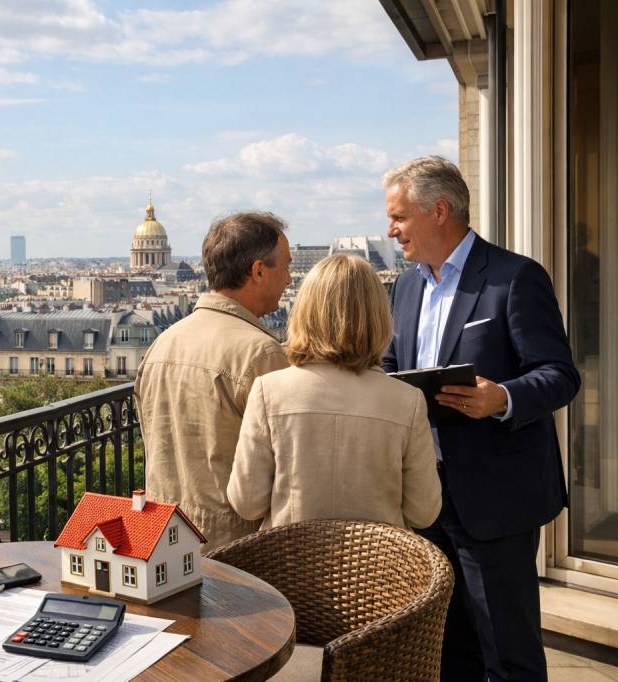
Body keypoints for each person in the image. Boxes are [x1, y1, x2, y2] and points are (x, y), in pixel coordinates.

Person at [382, 156, 580, 681]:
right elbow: (389, 368)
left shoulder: (515, 278)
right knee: (448, 651)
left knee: (507, 654)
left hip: (497, 498)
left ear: (439, 211)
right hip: (424, 497)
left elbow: (559, 375)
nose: (391, 229)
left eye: (399, 217)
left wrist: (504, 398)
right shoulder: (405, 287)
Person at [227, 254, 441, 531]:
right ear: (379, 316)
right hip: (379, 565)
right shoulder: (407, 401)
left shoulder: (269, 392)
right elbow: (424, 511)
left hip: (291, 562)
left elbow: (246, 502)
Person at [134, 211, 291, 552]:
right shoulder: (260, 353)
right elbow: (286, 468)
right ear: (258, 271)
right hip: (236, 544)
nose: (290, 279)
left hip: (165, 536)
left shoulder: (162, 344)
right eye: (286, 267)